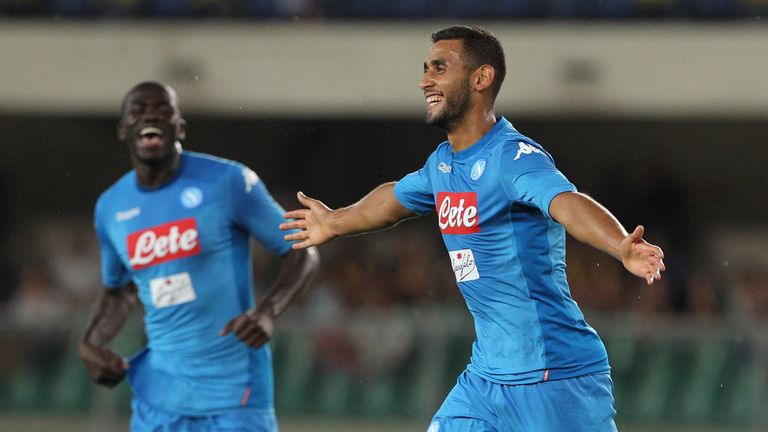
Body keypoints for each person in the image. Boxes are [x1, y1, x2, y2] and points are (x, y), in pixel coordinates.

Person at [280, 26, 665, 431]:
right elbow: (394, 200)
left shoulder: (513, 157)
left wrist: (620, 244)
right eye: (426, 68)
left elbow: (565, 203)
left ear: (481, 78)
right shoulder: (443, 164)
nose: (425, 80)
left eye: (439, 68)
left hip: (554, 376)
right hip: (485, 380)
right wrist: (334, 221)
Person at [78, 81, 320, 432]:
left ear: (180, 128)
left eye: (162, 111)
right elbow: (119, 289)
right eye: (139, 110)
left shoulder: (228, 181)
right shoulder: (111, 207)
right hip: (159, 399)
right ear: (123, 129)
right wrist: (91, 343)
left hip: (234, 395)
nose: (150, 115)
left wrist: (268, 311)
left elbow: (304, 250)